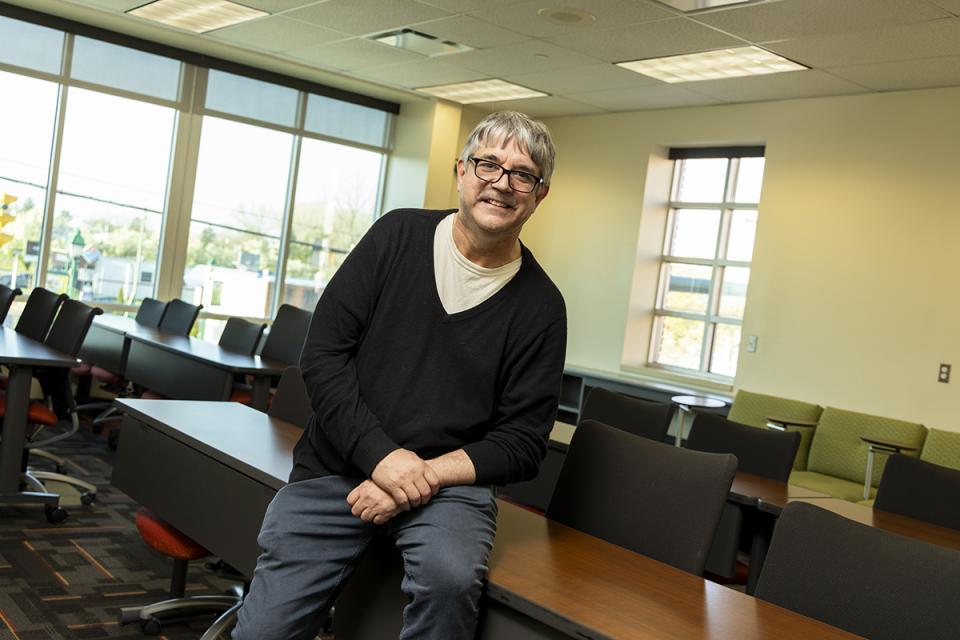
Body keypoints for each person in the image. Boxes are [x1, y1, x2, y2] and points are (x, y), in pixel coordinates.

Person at [232, 111, 567, 640]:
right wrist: (383, 459)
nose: (501, 184)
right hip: (336, 469)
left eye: (522, 174)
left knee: (451, 581)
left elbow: (523, 443)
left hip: (449, 491)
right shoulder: (396, 236)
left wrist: (420, 478)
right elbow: (323, 356)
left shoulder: (542, 307)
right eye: (488, 165)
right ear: (461, 171)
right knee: (262, 632)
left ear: (539, 194)